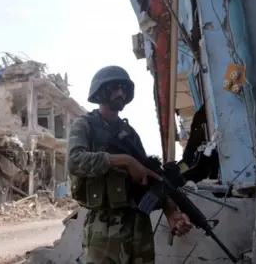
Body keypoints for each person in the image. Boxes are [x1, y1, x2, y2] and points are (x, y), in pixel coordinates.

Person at [67, 66, 193, 263]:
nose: (120, 93)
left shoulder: (130, 134)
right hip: (104, 226)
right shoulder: (85, 125)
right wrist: (125, 161)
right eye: (114, 88)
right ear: (100, 92)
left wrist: (171, 213)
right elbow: (74, 161)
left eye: (123, 89)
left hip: (137, 226)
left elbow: (151, 180)